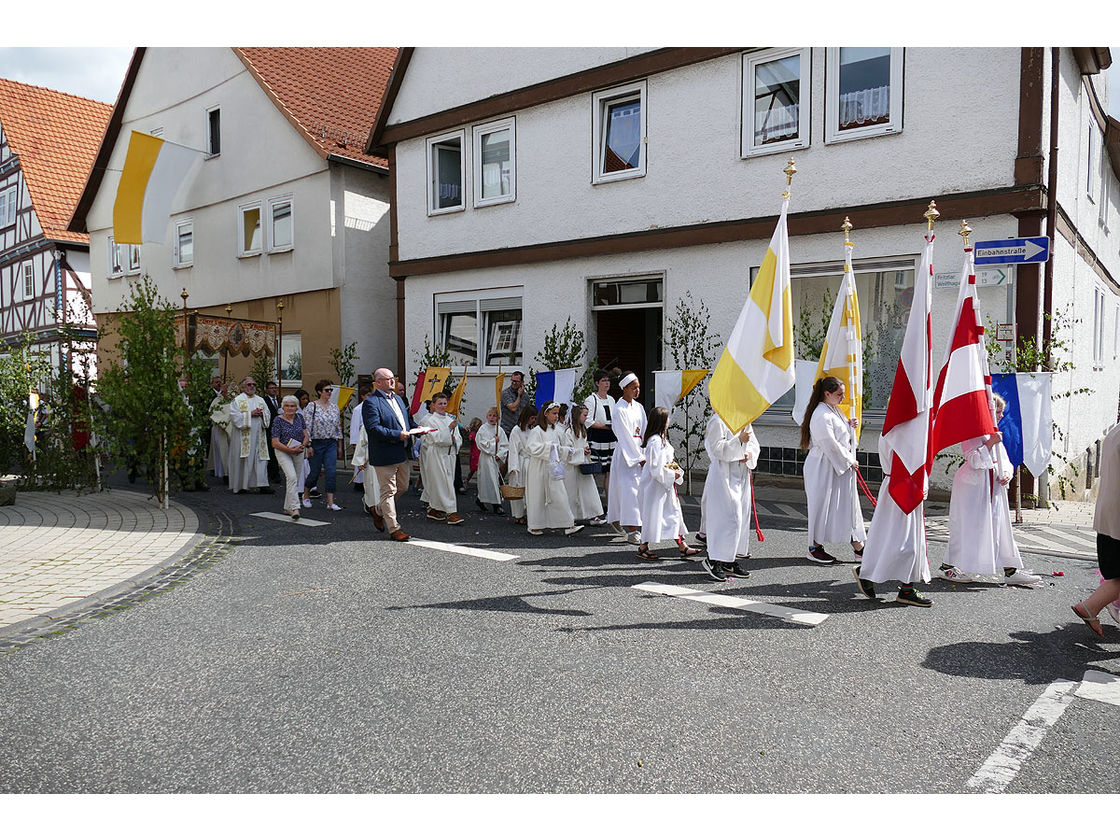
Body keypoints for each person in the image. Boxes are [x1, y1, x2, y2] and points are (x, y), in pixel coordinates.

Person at [939, 394, 1042, 586]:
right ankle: (947, 566)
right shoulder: (972, 431)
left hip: (992, 487)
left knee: (1000, 526)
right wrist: (990, 443)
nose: (1002, 415)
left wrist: (1006, 473)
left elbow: (1003, 459)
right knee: (967, 526)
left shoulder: (992, 431)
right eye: (998, 411)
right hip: (973, 487)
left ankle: (1010, 570)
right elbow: (974, 460)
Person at [853, 430, 933, 607]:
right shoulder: (895, 432)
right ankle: (904, 588)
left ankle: (869, 572)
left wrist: (923, 480)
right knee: (905, 542)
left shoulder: (902, 431)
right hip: (901, 486)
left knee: (893, 538)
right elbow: (906, 461)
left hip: (905, 485)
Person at [800, 376, 866, 564]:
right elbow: (829, 443)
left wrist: (849, 425)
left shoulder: (832, 410)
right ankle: (814, 547)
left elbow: (839, 437)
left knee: (846, 503)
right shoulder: (820, 414)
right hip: (823, 466)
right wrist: (848, 460)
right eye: (839, 394)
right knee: (821, 506)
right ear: (827, 393)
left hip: (835, 465)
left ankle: (858, 545)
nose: (842, 398)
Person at [1071, 423, 1120, 636]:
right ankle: (1091, 606)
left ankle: (1091, 606)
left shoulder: (1115, 430)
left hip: (1109, 515)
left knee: (1117, 573)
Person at [700, 413, 760, 581]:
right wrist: (738, 441)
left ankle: (729, 559)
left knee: (740, 518)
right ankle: (714, 560)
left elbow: (754, 444)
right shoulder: (718, 420)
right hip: (723, 475)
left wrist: (749, 454)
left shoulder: (744, 419)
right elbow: (716, 448)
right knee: (726, 518)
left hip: (741, 474)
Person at [364, 368, 420, 541]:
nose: (392, 382)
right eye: (388, 379)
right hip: (385, 452)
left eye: (393, 379)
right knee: (388, 491)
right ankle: (394, 528)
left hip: (401, 451)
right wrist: (397, 435)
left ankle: (378, 510)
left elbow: (406, 420)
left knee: (402, 487)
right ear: (378, 382)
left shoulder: (398, 399)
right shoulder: (371, 402)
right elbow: (373, 429)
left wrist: (417, 429)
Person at [636, 406, 698, 562]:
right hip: (655, 487)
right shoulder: (654, 442)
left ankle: (682, 546)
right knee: (655, 517)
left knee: (673, 515)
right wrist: (672, 474)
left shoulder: (661, 439)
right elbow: (656, 468)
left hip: (664, 486)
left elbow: (667, 462)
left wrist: (676, 470)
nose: (669, 421)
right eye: (667, 418)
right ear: (662, 421)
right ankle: (643, 546)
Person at [523, 401, 583, 536]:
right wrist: (549, 447)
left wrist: (576, 451)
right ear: (546, 414)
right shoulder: (537, 431)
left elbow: (563, 447)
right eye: (554, 413)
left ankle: (569, 524)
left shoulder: (558, 430)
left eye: (557, 413)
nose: (557, 416)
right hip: (538, 468)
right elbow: (531, 447)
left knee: (560, 494)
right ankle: (534, 525)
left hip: (553, 468)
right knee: (537, 496)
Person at [606, 372, 647, 545]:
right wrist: (638, 457)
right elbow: (624, 436)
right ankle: (632, 531)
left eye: (638, 387)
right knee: (629, 492)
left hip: (639, 452)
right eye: (633, 388)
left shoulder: (639, 407)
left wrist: (646, 451)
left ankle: (627, 521)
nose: (637, 391)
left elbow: (644, 430)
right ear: (624, 388)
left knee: (640, 491)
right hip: (626, 455)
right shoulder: (619, 409)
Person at [419, 392, 464, 525]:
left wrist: (455, 440)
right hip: (437, 453)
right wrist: (448, 431)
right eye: (440, 403)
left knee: (443, 482)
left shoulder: (450, 420)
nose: (443, 406)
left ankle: (433, 508)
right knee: (444, 483)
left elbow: (457, 438)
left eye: (445, 403)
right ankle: (451, 512)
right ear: (433, 405)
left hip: (449, 454)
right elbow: (436, 438)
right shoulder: (431, 420)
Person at [302, 379, 345, 511]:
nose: (329, 392)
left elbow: (338, 427)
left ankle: (330, 502)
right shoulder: (312, 406)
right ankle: (306, 495)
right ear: (319, 392)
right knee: (314, 472)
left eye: (330, 390)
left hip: (331, 442)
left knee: (331, 471)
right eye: (327, 390)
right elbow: (307, 427)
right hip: (316, 442)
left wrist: (339, 446)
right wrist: (308, 445)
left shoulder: (334, 407)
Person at [227, 377, 273, 494]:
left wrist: (262, 415)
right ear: (243, 387)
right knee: (244, 459)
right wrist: (250, 414)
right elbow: (234, 417)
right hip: (244, 436)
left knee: (260, 459)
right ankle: (242, 485)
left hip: (259, 435)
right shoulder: (237, 400)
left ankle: (262, 484)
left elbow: (268, 414)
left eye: (254, 384)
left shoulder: (261, 400)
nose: (252, 386)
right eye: (249, 384)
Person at [562, 404, 605, 525]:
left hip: (583, 464)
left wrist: (586, 451)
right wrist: (581, 451)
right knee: (573, 493)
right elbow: (567, 450)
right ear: (577, 416)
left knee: (588, 491)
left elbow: (583, 444)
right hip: (572, 467)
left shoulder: (582, 430)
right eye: (585, 415)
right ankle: (572, 517)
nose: (586, 418)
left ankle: (593, 515)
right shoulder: (569, 432)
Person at [271, 395, 310, 519]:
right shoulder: (278, 420)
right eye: (287, 406)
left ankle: (288, 507)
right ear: (283, 407)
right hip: (283, 451)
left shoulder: (299, 417)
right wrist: (289, 449)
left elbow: (306, 435)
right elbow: (275, 442)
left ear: (297, 407)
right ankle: (295, 507)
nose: (290, 408)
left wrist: (302, 446)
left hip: (298, 450)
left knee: (294, 480)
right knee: (291, 476)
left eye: (292, 406)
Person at [584, 369, 616, 501]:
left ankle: (609, 505)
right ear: (597, 383)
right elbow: (587, 421)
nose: (607, 383)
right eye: (604, 381)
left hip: (611, 438)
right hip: (597, 437)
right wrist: (604, 426)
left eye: (608, 380)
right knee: (595, 470)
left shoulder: (612, 399)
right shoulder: (591, 400)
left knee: (610, 471)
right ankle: (591, 504)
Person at [505, 406, 536, 524]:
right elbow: (513, 450)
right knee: (519, 488)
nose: (533, 420)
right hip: (521, 462)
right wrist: (514, 467)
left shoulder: (533, 430)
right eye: (532, 418)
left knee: (530, 490)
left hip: (531, 462)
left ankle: (529, 513)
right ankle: (519, 515)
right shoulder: (516, 430)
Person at [474, 407, 508, 514]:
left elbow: (505, 445)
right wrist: (494, 441)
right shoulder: (483, 429)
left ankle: (484, 500)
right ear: (486, 416)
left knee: (494, 480)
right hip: (486, 458)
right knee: (487, 480)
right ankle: (495, 504)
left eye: (494, 416)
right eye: (490, 415)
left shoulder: (500, 430)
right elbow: (481, 444)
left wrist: (499, 454)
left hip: (494, 459)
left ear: (498, 418)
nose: (492, 418)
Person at [350, 383, 374, 495]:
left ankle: (369, 481)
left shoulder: (373, 407)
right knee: (361, 460)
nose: (369, 397)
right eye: (367, 395)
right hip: (361, 439)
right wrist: (355, 442)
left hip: (371, 438)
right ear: (363, 396)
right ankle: (359, 482)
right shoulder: (358, 409)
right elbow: (355, 427)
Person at [208, 380, 231, 481]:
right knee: (222, 451)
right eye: (225, 390)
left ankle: (231, 472)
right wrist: (224, 421)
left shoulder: (233, 401)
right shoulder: (217, 400)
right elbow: (213, 413)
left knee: (230, 452)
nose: (227, 392)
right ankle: (224, 473)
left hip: (231, 430)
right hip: (220, 429)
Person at [262, 380, 282, 483]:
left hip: (280, 430)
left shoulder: (280, 400)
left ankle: (275, 472)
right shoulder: (264, 400)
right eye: (271, 388)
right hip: (269, 429)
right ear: (267, 390)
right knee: (271, 452)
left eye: (275, 388)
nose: (274, 390)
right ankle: (273, 473)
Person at [500, 371, 527, 437]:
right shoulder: (505, 393)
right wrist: (519, 396)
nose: (514, 383)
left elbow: (527, 413)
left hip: (520, 431)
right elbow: (513, 408)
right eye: (512, 380)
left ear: (522, 382)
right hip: (507, 431)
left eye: (516, 381)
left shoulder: (526, 396)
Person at [465, 416, 483, 489]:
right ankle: (466, 480)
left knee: (479, 468)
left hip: (479, 453)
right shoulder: (473, 434)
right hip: (475, 454)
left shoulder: (479, 434)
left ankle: (480, 482)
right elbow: (470, 438)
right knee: (473, 469)